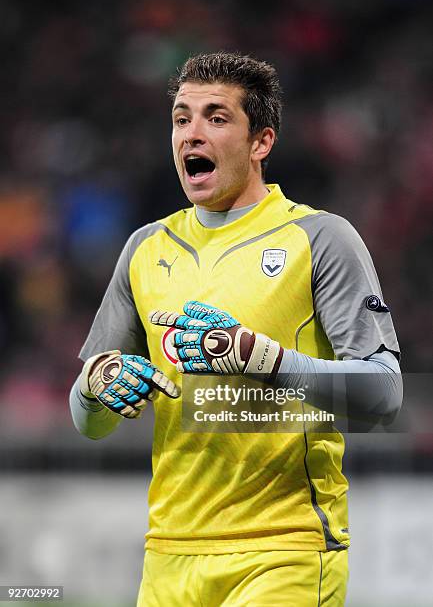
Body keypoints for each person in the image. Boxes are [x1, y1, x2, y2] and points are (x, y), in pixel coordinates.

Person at [70, 52, 402, 606]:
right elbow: (89, 425)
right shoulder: (145, 249)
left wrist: (261, 359)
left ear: (261, 143)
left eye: (216, 118)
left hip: (284, 549)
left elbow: (385, 394)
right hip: (168, 556)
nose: (191, 134)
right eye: (181, 118)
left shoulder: (320, 238)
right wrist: (96, 384)